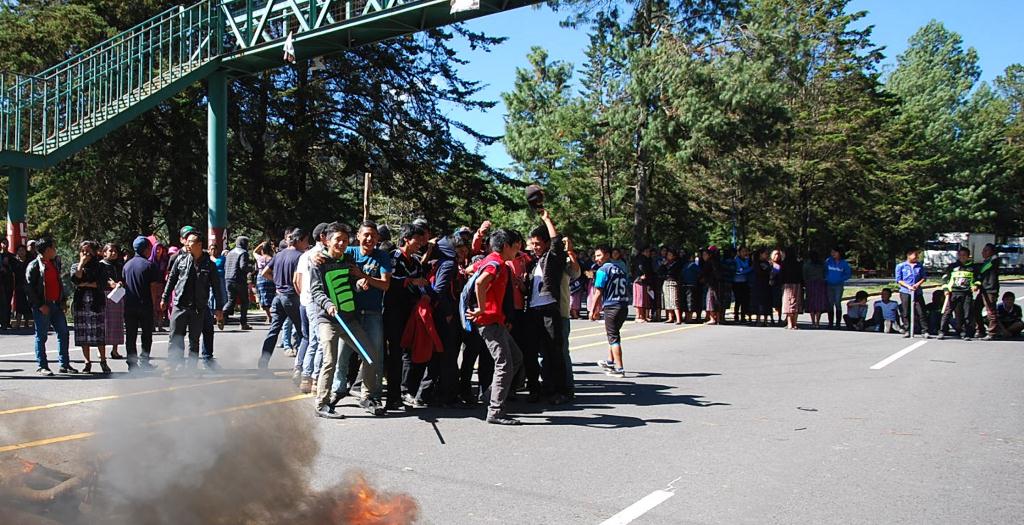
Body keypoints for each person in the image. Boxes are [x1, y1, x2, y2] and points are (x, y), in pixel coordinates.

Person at [308, 222, 385, 419]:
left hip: (349, 318)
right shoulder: (318, 262)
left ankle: (367, 397)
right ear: (327, 240)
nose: (341, 243)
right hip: (328, 320)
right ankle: (322, 403)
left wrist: (359, 283)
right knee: (330, 361)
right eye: (337, 240)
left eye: (344, 240)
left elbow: (351, 282)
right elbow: (316, 291)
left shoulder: (348, 258)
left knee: (370, 357)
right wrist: (328, 305)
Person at [466, 229, 525, 425]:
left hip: (495, 321)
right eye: (516, 245)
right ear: (506, 245)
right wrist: (482, 308)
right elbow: (480, 283)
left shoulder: (488, 260)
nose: (519, 249)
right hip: (489, 321)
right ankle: (495, 411)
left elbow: (470, 271)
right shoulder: (496, 263)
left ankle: (489, 395)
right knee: (504, 364)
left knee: (515, 358)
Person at [335, 221, 390, 413]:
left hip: (373, 313)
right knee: (342, 355)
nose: (369, 239)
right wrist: (316, 256)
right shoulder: (348, 252)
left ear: (377, 239)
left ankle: (372, 395)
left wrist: (364, 277)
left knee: (374, 355)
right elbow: (328, 256)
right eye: (366, 235)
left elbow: (385, 285)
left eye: (373, 236)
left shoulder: (382, 256)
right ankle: (337, 390)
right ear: (358, 236)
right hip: (350, 313)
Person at [161, 231, 225, 370]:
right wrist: (164, 298)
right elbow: (171, 280)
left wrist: (219, 308)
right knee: (175, 338)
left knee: (194, 340)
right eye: (187, 241)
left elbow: (216, 287)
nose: (187, 244)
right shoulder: (180, 259)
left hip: (198, 307)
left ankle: (191, 369)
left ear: (199, 245)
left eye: (191, 242)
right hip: (180, 305)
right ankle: (172, 367)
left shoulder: (209, 264)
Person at [524, 210, 569, 404]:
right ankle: (535, 389)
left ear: (546, 243)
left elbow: (557, 243)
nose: (534, 247)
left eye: (538, 244)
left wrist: (548, 220)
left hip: (550, 309)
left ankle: (559, 391)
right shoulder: (534, 263)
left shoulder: (553, 258)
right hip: (533, 311)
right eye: (532, 244)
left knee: (554, 353)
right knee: (531, 352)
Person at [384, 224, 431, 409]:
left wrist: (424, 293)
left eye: (422, 240)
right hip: (393, 311)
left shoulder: (417, 262)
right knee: (395, 353)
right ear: (406, 239)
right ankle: (393, 395)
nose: (420, 244)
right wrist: (409, 281)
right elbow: (389, 281)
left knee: (409, 353)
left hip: (411, 313)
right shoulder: (394, 258)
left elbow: (420, 284)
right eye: (417, 240)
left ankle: (405, 390)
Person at [258, 229, 309, 369]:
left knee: (273, 331)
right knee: (304, 334)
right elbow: (297, 280)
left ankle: (263, 363)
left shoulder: (279, 255)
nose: (307, 244)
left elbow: (264, 272)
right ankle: (301, 366)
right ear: (299, 240)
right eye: (306, 241)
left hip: (278, 296)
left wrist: (277, 281)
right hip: (293, 297)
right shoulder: (300, 256)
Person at [25, 238, 76, 376]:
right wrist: (40, 305)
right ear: (47, 250)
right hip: (43, 306)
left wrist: (63, 300)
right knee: (41, 336)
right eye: (53, 248)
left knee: (64, 333)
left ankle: (64, 364)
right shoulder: (34, 266)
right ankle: (42, 366)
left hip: (56, 305)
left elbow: (59, 283)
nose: (55, 250)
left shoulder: (55, 262)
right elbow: (29, 289)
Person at [294, 223, 328, 393]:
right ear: (323, 236)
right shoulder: (320, 254)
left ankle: (306, 377)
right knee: (319, 341)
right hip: (316, 302)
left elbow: (297, 280)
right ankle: (313, 378)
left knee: (310, 340)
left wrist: (303, 296)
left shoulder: (305, 255)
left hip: (305, 301)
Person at [71, 241, 109, 374]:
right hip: (81, 303)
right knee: (83, 334)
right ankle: (87, 362)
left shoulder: (100, 266)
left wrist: (85, 284)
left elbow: (101, 284)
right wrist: (81, 263)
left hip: (96, 302)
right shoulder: (76, 266)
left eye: (88, 251)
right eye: (83, 251)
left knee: (98, 333)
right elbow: (76, 279)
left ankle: (103, 361)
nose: (86, 254)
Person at [122, 236, 159, 370]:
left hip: (129, 305)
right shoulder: (149, 265)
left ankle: (131, 363)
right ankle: (144, 361)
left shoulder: (127, 265)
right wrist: (154, 305)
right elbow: (153, 287)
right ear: (146, 249)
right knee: (146, 334)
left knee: (131, 335)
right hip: (145, 304)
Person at [592, 245, 629, 378]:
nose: (596, 259)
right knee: (614, 334)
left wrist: (593, 309)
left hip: (611, 305)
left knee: (613, 337)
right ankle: (610, 360)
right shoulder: (619, 269)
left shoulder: (602, 270)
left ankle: (619, 368)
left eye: (599, 255)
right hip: (623, 305)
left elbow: (598, 291)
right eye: (595, 256)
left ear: (607, 255)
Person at [936, 247, 977, 341]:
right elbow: (945, 279)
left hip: (966, 294)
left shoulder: (972, 268)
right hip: (953, 293)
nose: (962, 257)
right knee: (947, 312)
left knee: (966, 314)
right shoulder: (952, 267)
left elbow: (977, 280)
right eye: (960, 255)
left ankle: (964, 332)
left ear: (968, 256)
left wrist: (975, 286)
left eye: (964, 255)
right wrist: (946, 289)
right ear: (958, 255)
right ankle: (942, 331)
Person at [99, 243, 125, 360]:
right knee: (104, 322)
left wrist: (119, 283)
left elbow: (123, 278)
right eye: (110, 251)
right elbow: (98, 280)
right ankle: (101, 350)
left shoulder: (120, 265)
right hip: (104, 295)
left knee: (117, 323)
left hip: (118, 295)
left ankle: (115, 350)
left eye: (115, 251)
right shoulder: (100, 265)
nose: (113, 253)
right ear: (104, 252)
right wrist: (108, 283)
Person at [895, 248, 927, 338]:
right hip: (905, 291)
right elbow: (899, 280)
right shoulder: (901, 266)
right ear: (908, 255)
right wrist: (908, 286)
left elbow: (924, 277)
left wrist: (917, 285)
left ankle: (924, 330)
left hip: (917, 291)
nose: (916, 256)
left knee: (921, 311)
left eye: (917, 255)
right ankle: (907, 330)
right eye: (914, 254)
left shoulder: (919, 266)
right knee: (905, 311)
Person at [223, 236, 253, 330]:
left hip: (228, 278)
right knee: (244, 301)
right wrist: (251, 268)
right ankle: (243, 323)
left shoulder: (230, 252)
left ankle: (221, 315)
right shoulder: (243, 253)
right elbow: (243, 266)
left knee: (231, 300)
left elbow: (225, 266)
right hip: (239, 280)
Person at [975, 243, 1000, 340]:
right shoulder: (986, 262)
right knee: (976, 308)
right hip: (983, 289)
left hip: (990, 289)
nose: (983, 252)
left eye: (986, 250)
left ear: (992, 252)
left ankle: (992, 333)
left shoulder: (994, 261)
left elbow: (982, 271)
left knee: (990, 311)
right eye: (983, 250)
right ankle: (980, 330)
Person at [824, 248, 852, 328]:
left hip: (838, 285)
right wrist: (826, 278)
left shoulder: (844, 263)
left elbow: (848, 274)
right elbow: (824, 270)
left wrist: (841, 279)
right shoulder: (828, 261)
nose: (833, 254)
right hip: (829, 284)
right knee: (830, 303)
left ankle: (838, 323)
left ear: (839, 253)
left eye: (834, 252)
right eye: (832, 252)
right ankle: (830, 322)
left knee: (837, 302)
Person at [779, 247, 802, 330]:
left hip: (787, 285)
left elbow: (781, 275)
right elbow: (800, 274)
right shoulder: (798, 263)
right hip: (797, 284)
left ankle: (789, 324)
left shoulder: (784, 263)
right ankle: (795, 324)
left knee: (788, 303)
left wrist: (780, 283)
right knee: (796, 303)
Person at [802, 251, 827, 328]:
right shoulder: (822, 264)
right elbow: (825, 273)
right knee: (818, 303)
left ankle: (813, 322)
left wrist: (805, 283)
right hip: (820, 284)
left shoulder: (807, 265)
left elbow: (804, 275)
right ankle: (817, 322)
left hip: (810, 284)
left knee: (811, 303)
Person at [659, 248, 683, 324]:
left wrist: (667, 267)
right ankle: (670, 317)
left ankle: (678, 318)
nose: (669, 256)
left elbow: (674, 272)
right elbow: (660, 271)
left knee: (674, 300)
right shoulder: (665, 263)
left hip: (673, 282)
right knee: (667, 300)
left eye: (670, 255)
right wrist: (664, 265)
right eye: (668, 255)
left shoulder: (677, 263)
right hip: (666, 281)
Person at [254, 240, 276, 323]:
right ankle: (272, 314)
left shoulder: (259, 258)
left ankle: (268, 315)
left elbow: (254, 252)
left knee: (263, 298)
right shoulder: (272, 258)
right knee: (272, 297)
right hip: (270, 277)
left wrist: (261, 245)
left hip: (260, 279)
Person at [631, 247, 655, 323]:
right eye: (647, 251)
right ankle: (638, 316)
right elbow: (639, 269)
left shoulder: (647, 260)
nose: (648, 253)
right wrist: (641, 276)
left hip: (644, 281)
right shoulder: (640, 259)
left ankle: (643, 316)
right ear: (643, 252)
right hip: (639, 280)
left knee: (643, 299)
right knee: (639, 299)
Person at [750, 248, 772, 326]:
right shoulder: (756, 263)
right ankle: (758, 319)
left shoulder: (767, 263)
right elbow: (759, 272)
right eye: (765, 253)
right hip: (758, 284)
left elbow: (770, 271)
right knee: (758, 302)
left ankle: (766, 320)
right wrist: (766, 271)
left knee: (766, 302)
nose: (767, 255)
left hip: (766, 284)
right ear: (760, 254)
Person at [12, 244, 32, 329]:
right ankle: (18, 323)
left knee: (27, 304)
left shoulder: (29, 262)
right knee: (19, 304)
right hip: (18, 285)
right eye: (19, 250)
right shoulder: (14, 262)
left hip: (28, 285)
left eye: (23, 250)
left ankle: (27, 322)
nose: (21, 252)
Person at [701, 247, 723, 325]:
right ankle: (718, 319)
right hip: (715, 283)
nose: (704, 256)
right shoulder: (716, 261)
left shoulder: (710, 262)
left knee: (711, 301)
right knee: (715, 301)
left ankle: (713, 318)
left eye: (705, 255)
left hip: (712, 284)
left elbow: (711, 274)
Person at [733, 246, 753, 324]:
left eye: (746, 251)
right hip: (737, 282)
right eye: (743, 251)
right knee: (738, 300)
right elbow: (739, 271)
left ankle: (743, 316)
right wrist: (750, 269)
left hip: (745, 282)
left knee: (745, 300)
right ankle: (736, 316)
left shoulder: (747, 260)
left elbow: (744, 269)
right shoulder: (736, 260)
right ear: (739, 252)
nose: (745, 253)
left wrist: (746, 269)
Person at [681, 251, 703, 323]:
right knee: (690, 301)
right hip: (692, 285)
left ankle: (687, 317)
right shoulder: (693, 265)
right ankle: (689, 318)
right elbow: (700, 273)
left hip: (684, 285)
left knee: (686, 301)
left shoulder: (684, 265)